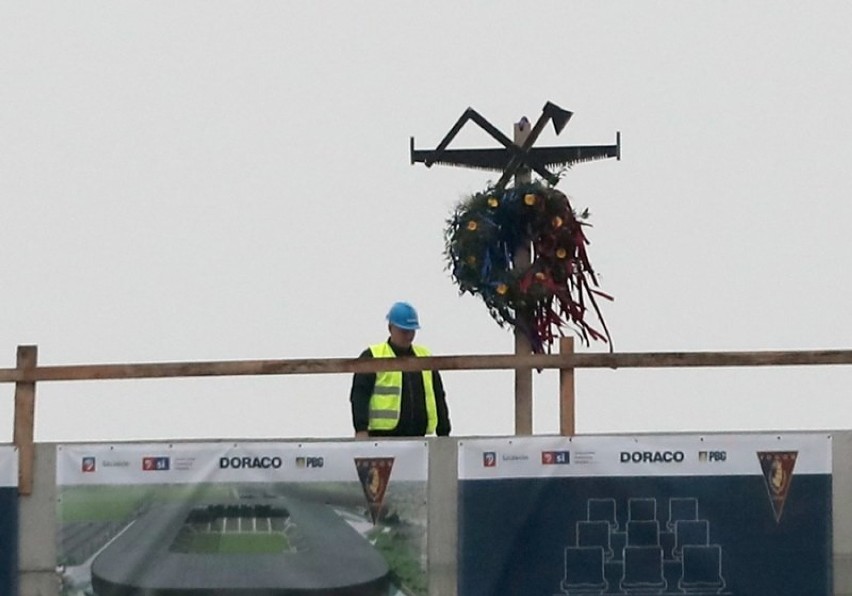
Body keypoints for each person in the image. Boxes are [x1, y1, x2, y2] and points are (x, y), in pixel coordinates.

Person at [350, 301, 451, 438]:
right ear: (390, 328)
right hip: (382, 437)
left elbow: (438, 395)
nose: (409, 336)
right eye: (404, 331)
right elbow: (359, 395)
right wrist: (361, 429)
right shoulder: (373, 356)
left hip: (419, 438)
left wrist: (444, 432)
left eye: (412, 331)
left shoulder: (424, 357)